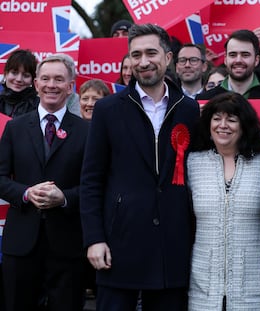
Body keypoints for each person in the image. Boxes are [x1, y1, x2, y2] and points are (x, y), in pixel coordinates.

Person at [80, 23, 200, 311]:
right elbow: (91, 180)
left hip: (172, 247)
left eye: (150, 53)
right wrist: (95, 239)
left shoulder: (189, 109)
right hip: (120, 245)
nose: (143, 62)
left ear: (168, 58)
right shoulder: (108, 109)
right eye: (135, 55)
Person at [0, 53, 89, 311]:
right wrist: (26, 193)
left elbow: (94, 185)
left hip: (68, 244)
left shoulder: (87, 131)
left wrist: (65, 198)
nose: (52, 85)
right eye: (46, 79)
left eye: (59, 79)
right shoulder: (14, 128)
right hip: (21, 243)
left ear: (70, 86)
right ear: (36, 84)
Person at [187, 92, 260, 310]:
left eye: (232, 119)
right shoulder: (193, 163)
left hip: (255, 289)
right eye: (216, 118)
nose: (222, 125)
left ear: (244, 126)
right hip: (203, 289)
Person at [196, 29, 260, 100]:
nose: (238, 60)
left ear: (256, 60)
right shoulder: (205, 99)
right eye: (233, 55)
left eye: (245, 55)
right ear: (225, 59)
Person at [0, 49, 39, 117]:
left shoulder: (40, 106)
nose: (19, 79)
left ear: (32, 79)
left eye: (26, 75)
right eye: (14, 73)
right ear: (6, 74)